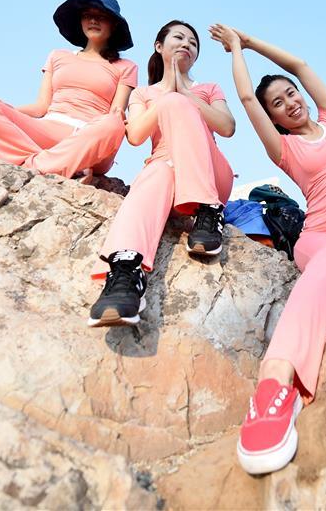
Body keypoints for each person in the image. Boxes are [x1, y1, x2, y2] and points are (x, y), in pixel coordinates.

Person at [209, 23, 326, 475]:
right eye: (278, 104)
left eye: (291, 95)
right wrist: (237, 52)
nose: (289, 103)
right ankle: (274, 389)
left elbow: (300, 65)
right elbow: (247, 100)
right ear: (274, 118)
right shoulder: (286, 149)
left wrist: (253, 40)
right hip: (323, 237)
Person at [88, 20, 236, 327]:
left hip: (210, 174)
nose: (187, 44)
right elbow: (136, 135)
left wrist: (184, 95)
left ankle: (209, 212)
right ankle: (126, 272)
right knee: (157, 173)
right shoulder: (142, 93)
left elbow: (227, 126)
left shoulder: (208, 88)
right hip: (165, 173)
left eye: (193, 42)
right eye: (178, 37)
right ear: (159, 46)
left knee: (174, 113)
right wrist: (168, 94)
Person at [0, 0, 137, 181]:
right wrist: (2, 107)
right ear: (80, 21)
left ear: (113, 25)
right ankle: (51, 164)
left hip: (88, 138)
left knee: (114, 123)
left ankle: (46, 163)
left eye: (102, 16)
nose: (93, 20)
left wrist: (115, 121)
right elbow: (41, 106)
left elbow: (116, 111)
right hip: (47, 130)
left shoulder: (125, 67)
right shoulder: (58, 55)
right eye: (88, 15)